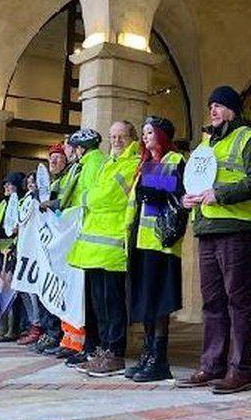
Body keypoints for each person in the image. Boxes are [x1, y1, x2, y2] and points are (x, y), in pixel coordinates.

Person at [178, 86, 251, 395]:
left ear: (233, 110)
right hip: (206, 228)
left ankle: (240, 370)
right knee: (212, 302)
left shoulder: (249, 137)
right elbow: (196, 182)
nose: (213, 110)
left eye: (220, 105)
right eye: (211, 105)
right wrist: (189, 198)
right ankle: (211, 365)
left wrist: (219, 194)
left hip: (235, 227)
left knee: (237, 301)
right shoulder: (204, 145)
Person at [67, 121, 140, 376]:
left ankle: (115, 353)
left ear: (132, 138)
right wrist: (90, 197)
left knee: (112, 303)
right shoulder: (109, 163)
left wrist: (88, 198)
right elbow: (93, 194)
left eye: (121, 136)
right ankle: (103, 350)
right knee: (99, 303)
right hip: (94, 247)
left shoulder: (132, 163)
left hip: (113, 245)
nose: (116, 141)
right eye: (112, 136)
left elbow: (105, 197)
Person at [124, 116, 186, 383]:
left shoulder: (174, 160)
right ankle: (148, 353)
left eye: (150, 133)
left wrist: (152, 186)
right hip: (140, 239)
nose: (145, 137)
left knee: (159, 301)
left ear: (162, 136)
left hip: (161, 242)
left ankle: (160, 359)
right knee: (145, 300)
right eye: (144, 133)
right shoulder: (144, 164)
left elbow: (179, 192)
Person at [60, 130, 106, 367]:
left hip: (93, 238)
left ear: (81, 148)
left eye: (74, 148)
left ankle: (93, 347)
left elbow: (86, 199)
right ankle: (88, 347)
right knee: (85, 298)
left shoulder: (93, 162)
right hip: (86, 241)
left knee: (92, 299)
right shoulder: (86, 163)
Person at [23, 143, 70, 353]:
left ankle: (56, 334)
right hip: (43, 247)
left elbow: (66, 210)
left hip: (58, 247)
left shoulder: (65, 182)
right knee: (42, 292)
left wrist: (54, 206)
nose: (54, 162)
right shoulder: (47, 185)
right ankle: (48, 332)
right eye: (51, 158)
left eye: (58, 158)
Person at [0, 172, 25, 342]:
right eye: (4, 184)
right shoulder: (2, 204)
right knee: (0, 292)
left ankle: (13, 329)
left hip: (14, 252)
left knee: (13, 293)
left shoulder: (21, 203)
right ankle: (0, 327)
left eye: (9, 184)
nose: (5, 187)